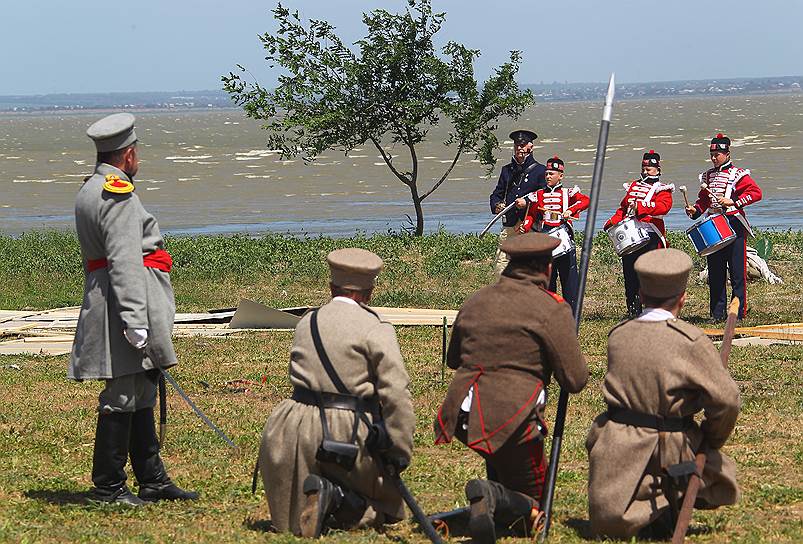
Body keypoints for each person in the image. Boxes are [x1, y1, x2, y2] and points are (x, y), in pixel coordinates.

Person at [70, 113, 197, 506]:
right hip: (123, 300)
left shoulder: (92, 187)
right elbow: (124, 258)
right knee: (124, 390)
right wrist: (135, 319)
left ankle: (152, 478)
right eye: (136, 152)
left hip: (112, 295)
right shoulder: (117, 192)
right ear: (127, 155)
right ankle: (107, 486)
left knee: (141, 386)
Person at [434, 232, 589, 544]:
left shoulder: (477, 299)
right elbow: (575, 379)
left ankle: (469, 511)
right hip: (514, 417)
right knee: (536, 515)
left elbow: (453, 360)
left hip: (466, 412)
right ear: (546, 268)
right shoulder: (550, 308)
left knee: (512, 497)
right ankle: (490, 495)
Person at [258, 248, 415, 537]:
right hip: (344, 432)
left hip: (291, 429)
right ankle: (336, 500)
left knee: (291, 515)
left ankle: (320, 500)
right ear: (370, 291)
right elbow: (396, 394)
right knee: (388, 508)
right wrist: (399, 450)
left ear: (331, 287)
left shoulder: (308, 321)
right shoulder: (375, 327)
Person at [586, 248, 740, 539]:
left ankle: (657, 499)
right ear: (682, 297)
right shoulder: (690, 340)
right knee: (721, 475)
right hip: (667, 443)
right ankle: (668, 497)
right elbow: (727, 401)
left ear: (642, 295)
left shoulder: (618, 334)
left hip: (613, 442)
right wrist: (711, 438)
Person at [685, 133, 762, 320]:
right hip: (713, 228)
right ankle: (717, 314)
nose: (714, 158)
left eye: (717, 154)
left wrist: (734, 202)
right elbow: (703, 202)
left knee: (737, 273)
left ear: (727, 153)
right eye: (712, 154)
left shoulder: (738, 175)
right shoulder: (707, 176)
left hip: (734, 225)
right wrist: (694, 210)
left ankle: (738, 313)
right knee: (716, 272)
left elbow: (756, 193)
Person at [604, 150, 674, 316]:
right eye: (643, 168)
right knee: (631, 276)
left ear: (657, 169)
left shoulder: (663, 189)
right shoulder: (634, 186)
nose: (645, 171)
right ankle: (633, 311)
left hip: (651, 236)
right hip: (631, 237)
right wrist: (612, 222)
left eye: (649, 169)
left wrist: (641, 207)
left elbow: (663, 208)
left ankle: (655, 311)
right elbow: (623, 208)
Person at [518, 155, 590, 312]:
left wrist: (571, 210)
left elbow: (585, 200)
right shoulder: (538, 194)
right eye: (546, 174)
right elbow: (531, 214)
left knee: (569, 280)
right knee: (548, 279)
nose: (548, 176)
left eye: (551, 174)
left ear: (561, 176)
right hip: (545, 242)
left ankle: (572, 313)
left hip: (564, 240)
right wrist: (526, 225)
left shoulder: (568, 193)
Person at [489, 130, 547, 275]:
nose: (519, 148)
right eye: (517, 145)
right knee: (502, 263)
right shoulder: (506, 170)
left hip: (529, 225)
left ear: (530, 147)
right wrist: (497, 205)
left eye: (523, 145)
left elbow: (544, 196)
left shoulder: (541, 171)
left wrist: (527, 202)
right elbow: (497, 194)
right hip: (510, 224)